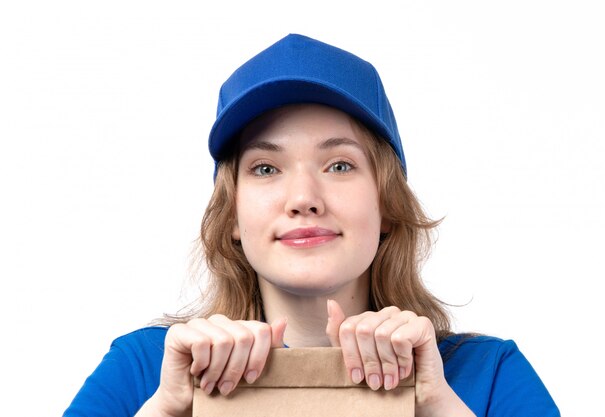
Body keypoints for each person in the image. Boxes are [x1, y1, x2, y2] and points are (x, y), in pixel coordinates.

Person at [63, 34, 560, 417]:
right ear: (232, 216)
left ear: (386, 204)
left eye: (339, 165)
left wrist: (436, 404)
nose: (303, 199)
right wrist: (166, 409)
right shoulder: (145, 369)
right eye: (265, 168)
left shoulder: (487, 377)